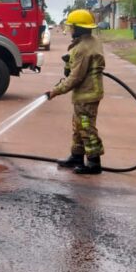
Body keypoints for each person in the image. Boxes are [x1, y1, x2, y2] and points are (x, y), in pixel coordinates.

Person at [47, 9, 106, 174]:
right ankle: (77, 157)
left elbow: (75, 78)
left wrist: (55, 91)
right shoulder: (92, 41)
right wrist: (69, 62)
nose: (70, 30)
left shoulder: (81, 49)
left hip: (87, 94)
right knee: (78, 126)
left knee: (86, 127)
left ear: (78, 28)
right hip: (87, 93)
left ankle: (94, 163)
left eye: (72, 27)